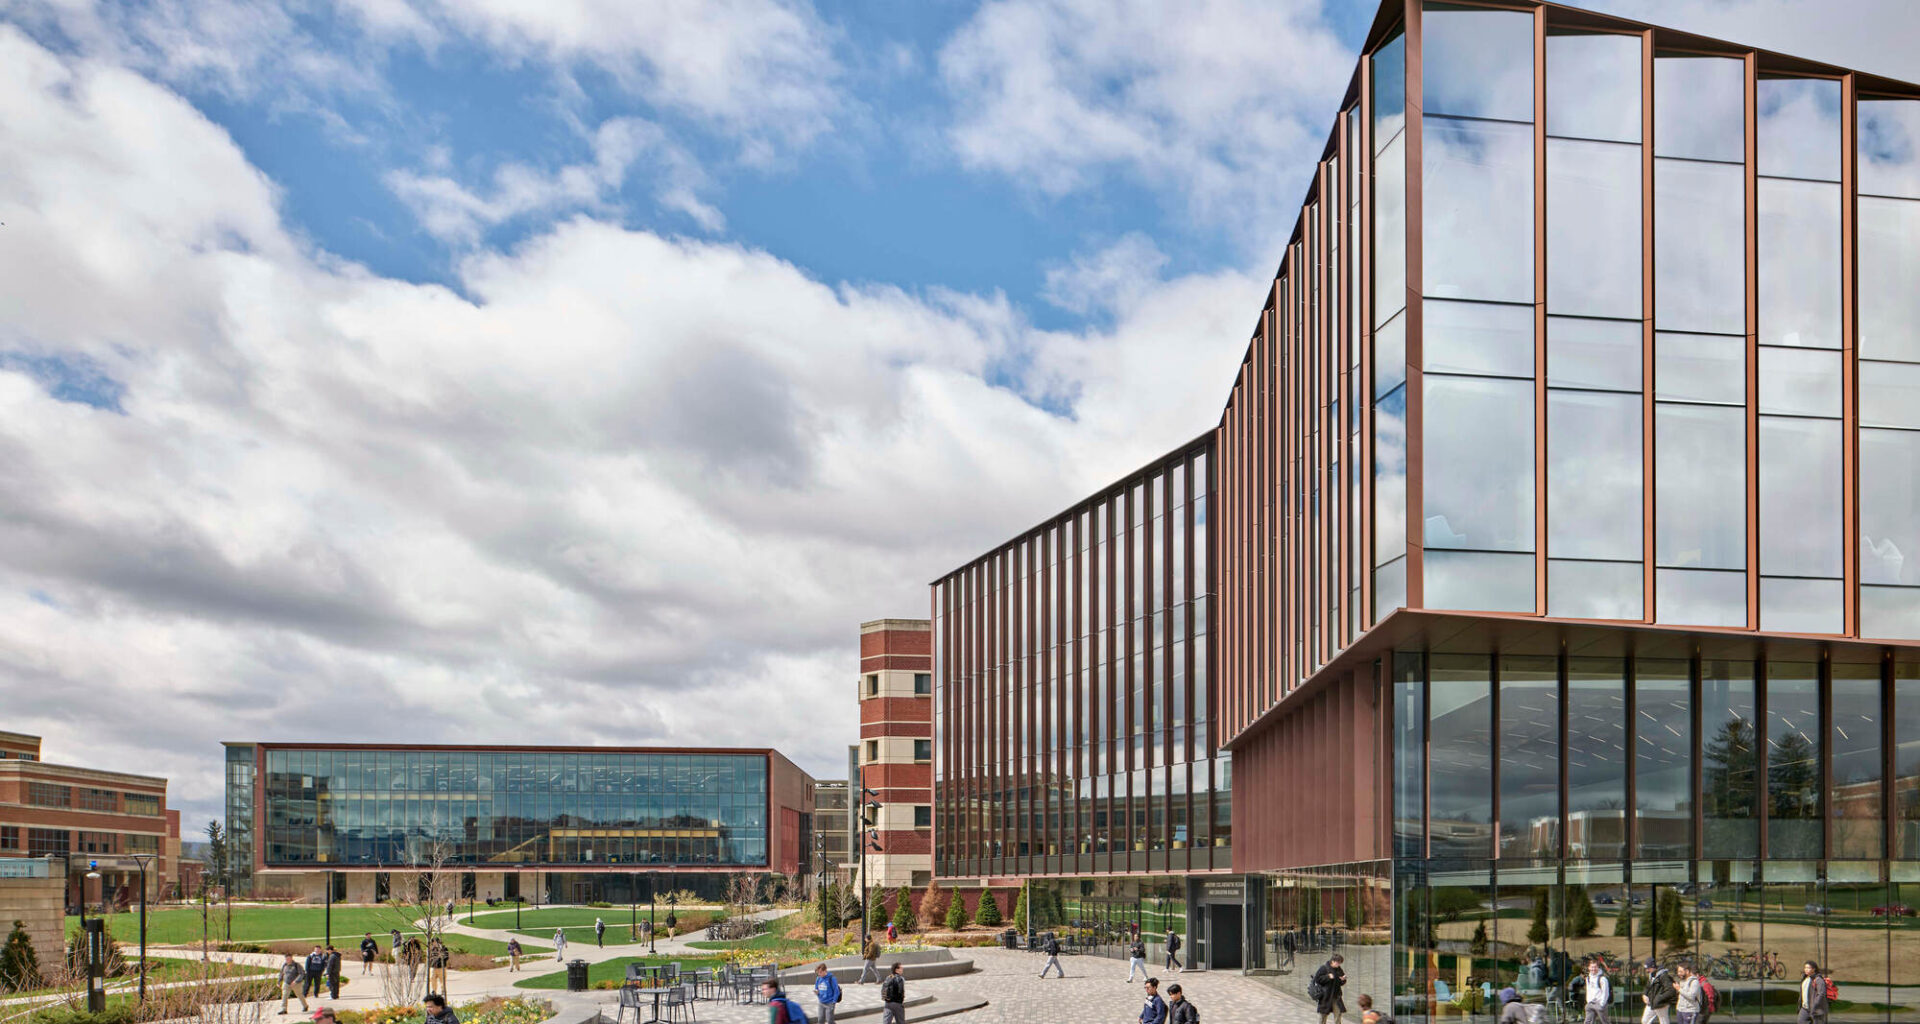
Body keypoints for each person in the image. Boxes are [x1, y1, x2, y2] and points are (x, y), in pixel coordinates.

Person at [1312, 953, 1348, 1024]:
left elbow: (1341, 982)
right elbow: (1317, 979)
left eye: (1340, 963)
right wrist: (1328, 977)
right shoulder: (1324, 968)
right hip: (1326, 996)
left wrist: (1343, 979)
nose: (1339, 964)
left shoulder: (1338, 969)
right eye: (1338, 963)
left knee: (1338, 1013)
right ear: (1333, 961)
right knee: (1323, 1015)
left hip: (1336, 996)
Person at [1643, 958, 1678, 1024]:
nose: (1647, 970)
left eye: (1648, 968)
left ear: (1653, 967)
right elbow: (1648, 986)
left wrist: (1659, 999)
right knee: (1645, 1020)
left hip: (1661, 1004)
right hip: (1652, 1002)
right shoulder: (1651, 975)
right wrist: (1644, 994)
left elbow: (1670, 990)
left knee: (1664, 1021)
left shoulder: (1663, 976)